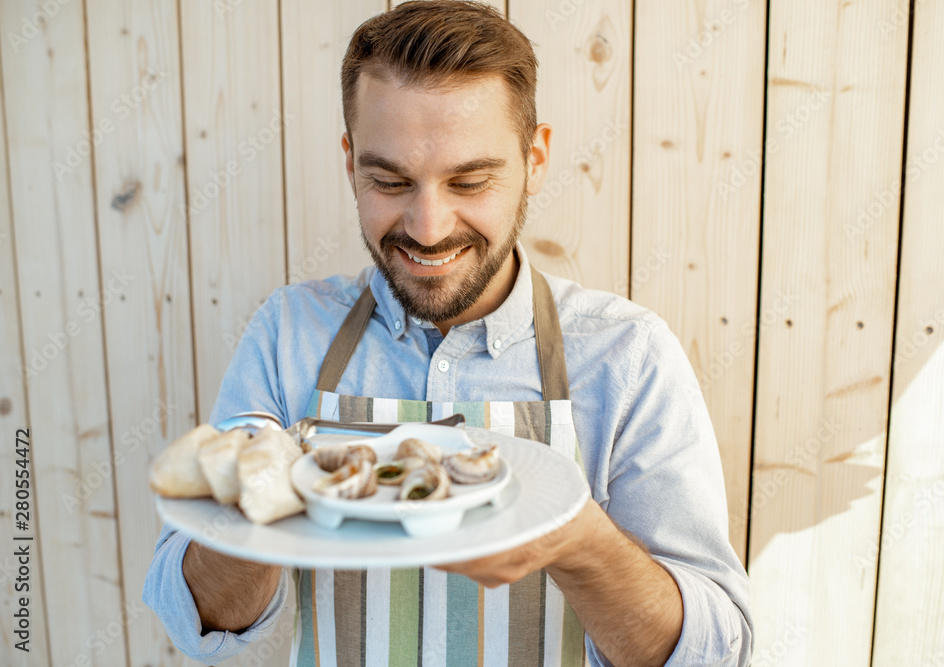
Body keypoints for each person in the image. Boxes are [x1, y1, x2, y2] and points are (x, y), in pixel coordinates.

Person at [143, 2, 753, 665]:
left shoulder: (628, 357)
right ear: (351, 164)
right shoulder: (288, 336)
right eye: (390, 180)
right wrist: (255, 490)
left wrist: (578, 541)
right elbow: (197, 622)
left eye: (470, 180)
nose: (429, 227)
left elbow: (716, 652)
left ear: (535, 159)